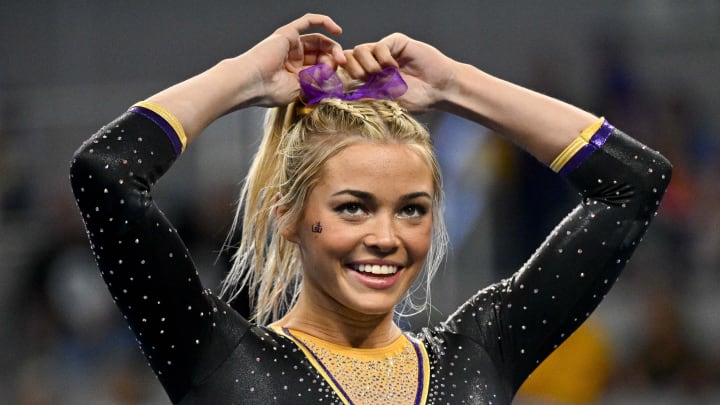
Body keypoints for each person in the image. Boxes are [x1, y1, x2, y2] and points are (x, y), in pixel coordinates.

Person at [69, 13, 671, 405]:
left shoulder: (479, 353)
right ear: (286, 213)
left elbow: (635, 181)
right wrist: (244, 76)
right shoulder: (216, 355)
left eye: (412, 210)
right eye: (354, 208)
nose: (385, 237)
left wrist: (457, 86)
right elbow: (105, 173)